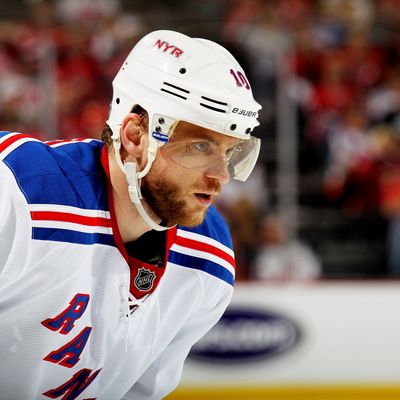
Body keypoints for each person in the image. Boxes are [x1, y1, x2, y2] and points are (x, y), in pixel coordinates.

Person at [0, 30, 262, 400]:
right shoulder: (16, 190)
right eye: (201, 146)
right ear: (136, 136)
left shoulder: (209, 257)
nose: (221, 175)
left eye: (232, 151)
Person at [252, 214, 321, 281]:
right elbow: (264, 278)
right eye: (269, 230)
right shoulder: (262, 256)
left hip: (301, 290)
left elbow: (313, 271)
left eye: (276, 229)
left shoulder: (298, 248)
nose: (273, 234)